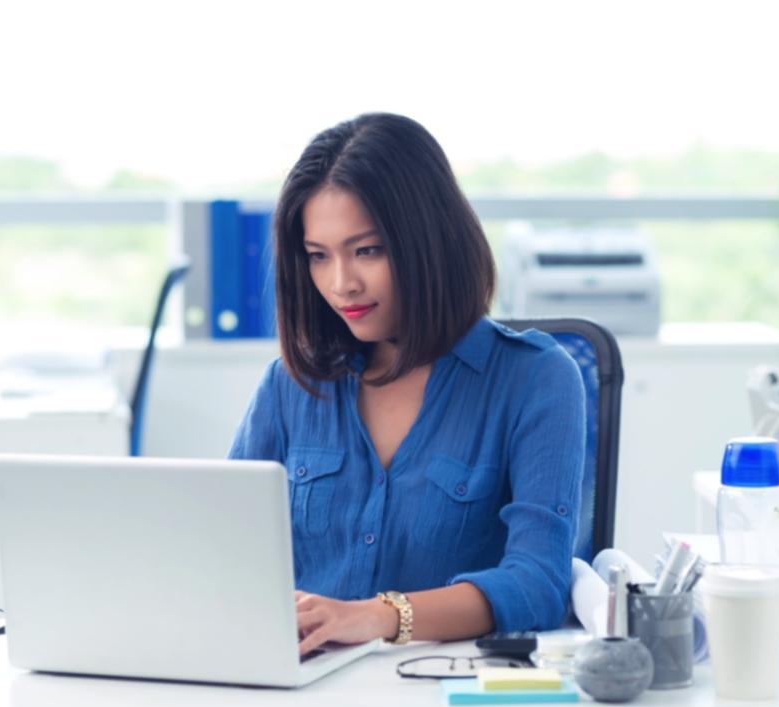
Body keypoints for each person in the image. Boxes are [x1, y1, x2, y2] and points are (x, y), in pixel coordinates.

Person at [229, 113, 586, 656]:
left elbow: (539, 583)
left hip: (439, 686)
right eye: (318, 257)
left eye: (367, 250)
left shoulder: (535, 378)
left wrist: (379, 617)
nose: (341, 283)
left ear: (429, 242)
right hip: (298, 683)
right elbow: (220, 549)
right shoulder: (291, 384)